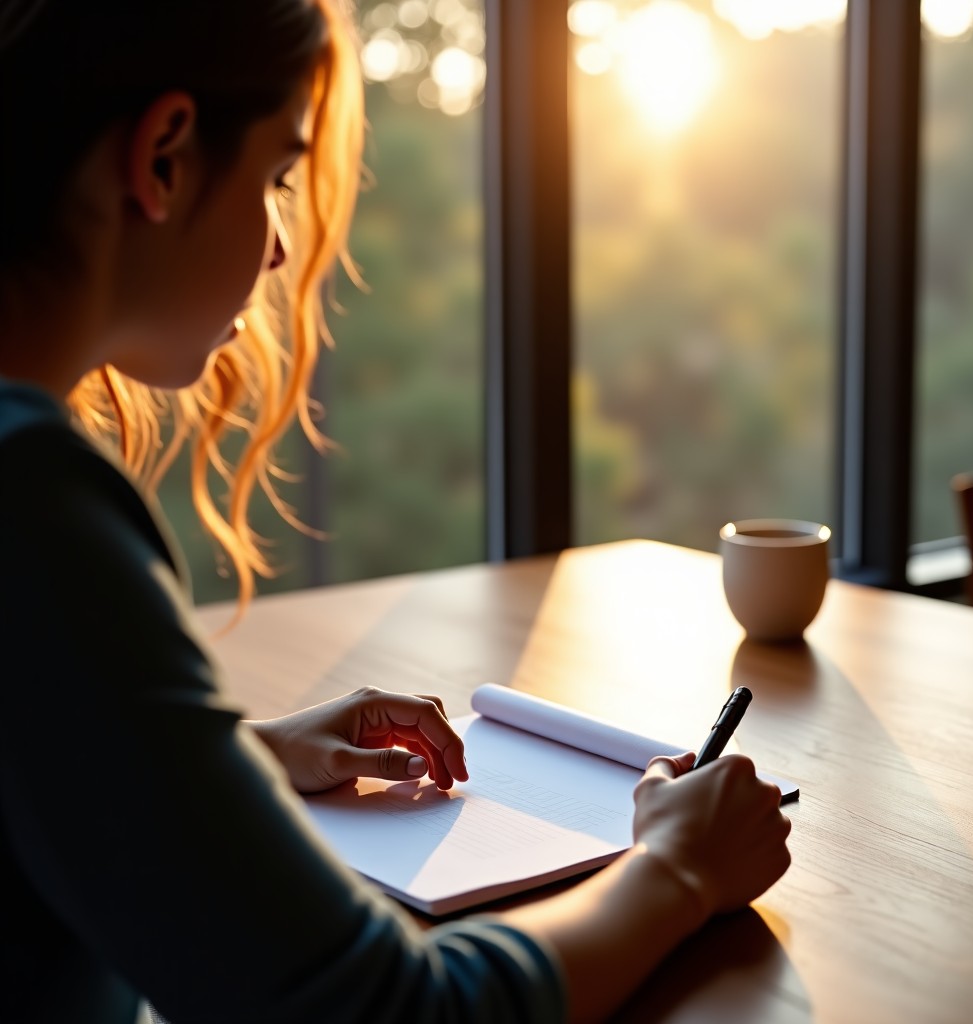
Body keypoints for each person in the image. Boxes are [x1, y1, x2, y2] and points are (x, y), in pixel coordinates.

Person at [0, 2, 792, 1022]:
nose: (282, 248)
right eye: (277, 176)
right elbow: (384, 1011)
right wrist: (678, 870)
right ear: (163, 157)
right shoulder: (35, 514)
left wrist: (244, 762)